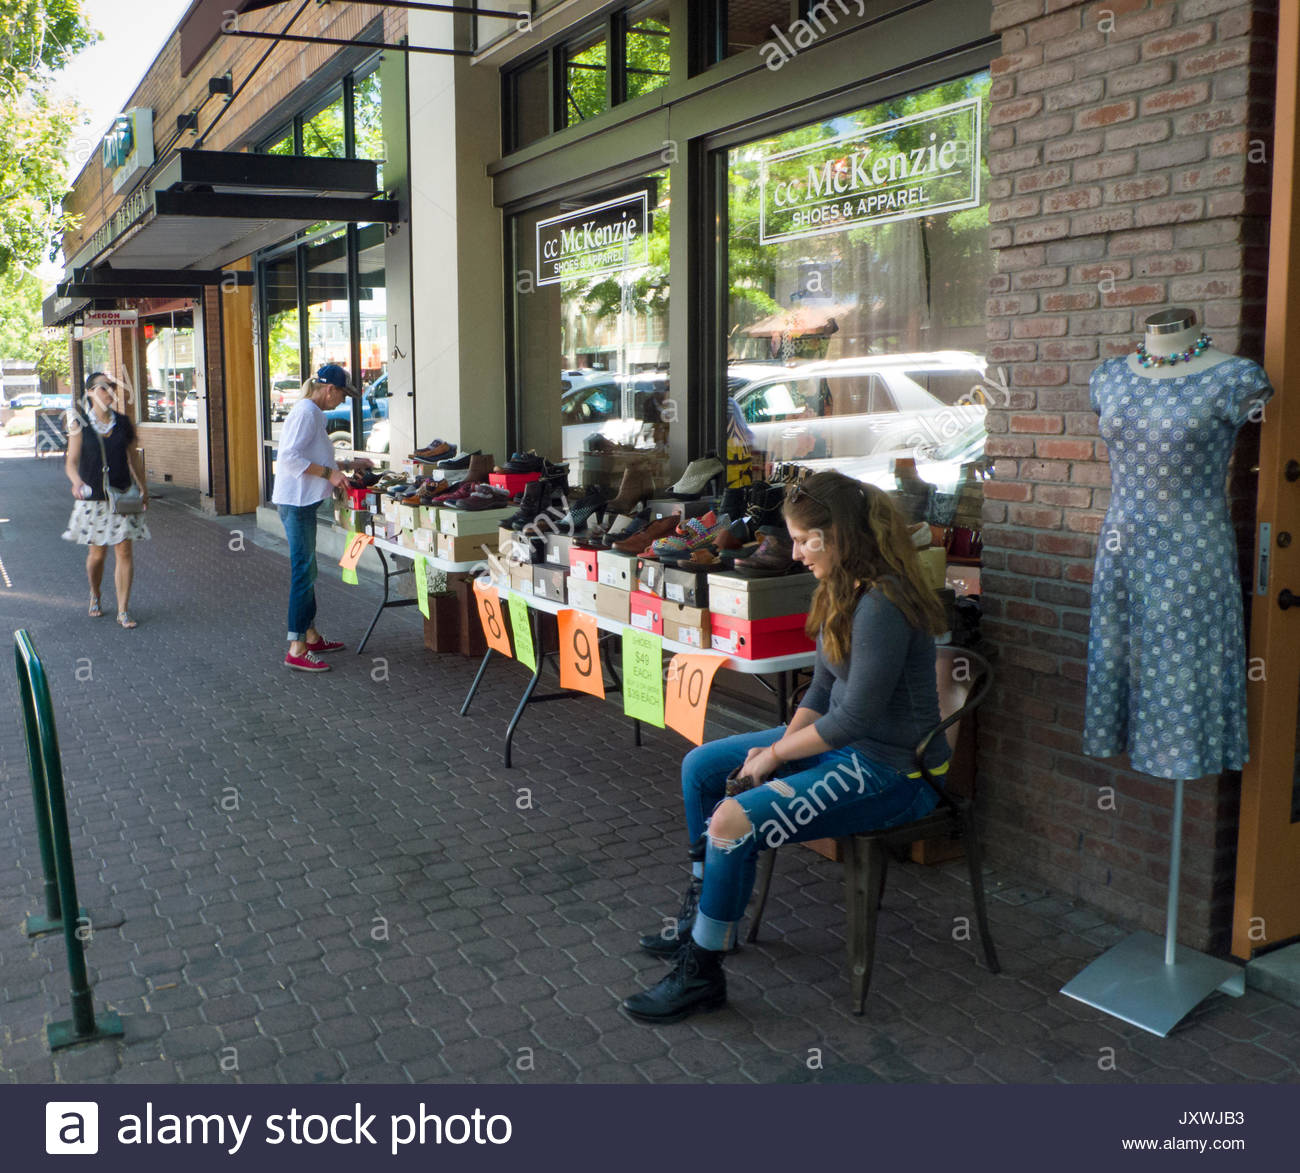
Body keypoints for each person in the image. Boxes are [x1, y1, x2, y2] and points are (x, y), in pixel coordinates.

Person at [623, 470, 950, 1024]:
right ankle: (702, 915)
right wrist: (788, 746)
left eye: (803, 540)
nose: (795, 553)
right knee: (701, 766)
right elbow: (822, 690)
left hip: (896, 773)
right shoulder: (843, 588)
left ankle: (703, 970)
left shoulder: (883, 604)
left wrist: (778, 755)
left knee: (731, 822)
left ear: (838, 535)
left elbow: (855, 717)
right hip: (849, 750)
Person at [272, 364, 373, 672]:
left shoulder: (310, 412)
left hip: (299, 502)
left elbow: (313, 456)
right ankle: (297, 647)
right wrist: (330, 474)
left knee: (308, 569)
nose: (342, 401)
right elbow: (289, 458)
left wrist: (345, 462)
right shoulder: (307, 413)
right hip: (296, 503)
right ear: (330, 390)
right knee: (303, 572)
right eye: (342, 394)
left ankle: (311, 635)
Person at [62, 372, 150, 629]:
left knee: (124, 550)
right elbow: (71, 462)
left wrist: (143, 488)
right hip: (94, 500)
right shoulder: (80, 423)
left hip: (122, 494)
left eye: (112, 386)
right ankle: (96, 592)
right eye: (103, 387)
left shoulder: (123, 423)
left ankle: (123, 610)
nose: (109, 391)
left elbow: (133, 459)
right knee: (97, 554)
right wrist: (76, 481)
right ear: (89, 392)